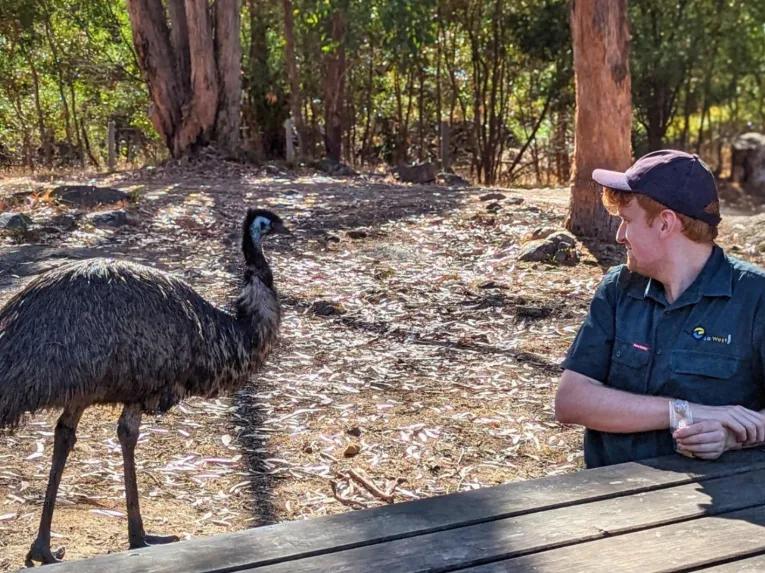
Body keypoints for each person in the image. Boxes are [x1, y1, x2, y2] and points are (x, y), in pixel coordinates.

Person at [555, 149, 765, 468]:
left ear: (666, 223)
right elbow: (571, 401)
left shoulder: (755, 297)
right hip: (606, 501)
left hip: (726, 507)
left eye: (627, 221)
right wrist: (683, 411)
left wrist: (731, 437)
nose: (619, 236)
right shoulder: (618, 288)